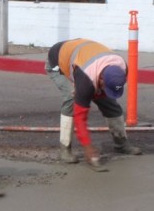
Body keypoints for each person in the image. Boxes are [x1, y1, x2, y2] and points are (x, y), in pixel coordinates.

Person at [45, 38, 141, 167]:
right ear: (100, 78)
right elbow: (80, 117)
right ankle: (65, 149)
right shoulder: (86, 79)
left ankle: (121, 144)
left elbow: (110, 88)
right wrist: (87, 146)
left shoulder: (121, 68)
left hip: (83, 56)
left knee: (109, 102)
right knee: (71, 98)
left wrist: (102, 93)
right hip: (58, 63)